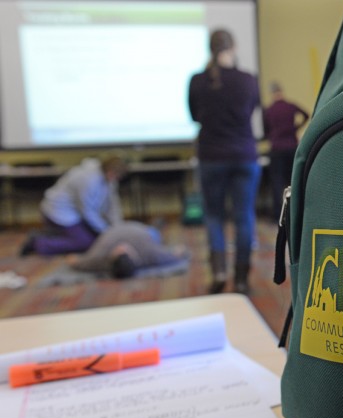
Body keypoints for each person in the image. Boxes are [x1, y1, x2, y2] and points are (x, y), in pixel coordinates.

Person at [188, 29, 261, 295]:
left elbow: (195, 116)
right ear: (235, 47)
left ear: (210, 48)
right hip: (244, 156)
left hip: (211, 156)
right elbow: (251, 110)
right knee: (244, 217)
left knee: (214, 216)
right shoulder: (248, 80)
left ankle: (219, 271)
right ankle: (241, 278)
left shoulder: (197, 80)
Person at [20, 155, 127, 256]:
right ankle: (38, 243)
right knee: (86, 243)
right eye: (114, 175)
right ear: (108, 169)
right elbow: (87, 211)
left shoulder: (109, 178)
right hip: (57, 212)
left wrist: (117, 227)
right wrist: (106, 232)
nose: (114, 179)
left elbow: (112, 205)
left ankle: (50, 234)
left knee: (96, 237)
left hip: (75, 213)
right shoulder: (87, 179)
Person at [67, 221, 189, 279]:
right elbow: (172, 255)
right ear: (135, 259)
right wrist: (179, 251)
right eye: (125, 252)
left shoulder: (99, 257)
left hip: (123, 228)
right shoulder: (149, 254)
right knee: (155, 234)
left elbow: (75, 261)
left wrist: (75, 260)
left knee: (154, 234)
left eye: (119, 252)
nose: (122, 247)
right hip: (136, 229)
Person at [263, 82, 309, 221]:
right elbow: (306, 115)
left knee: (277, 182)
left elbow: (266, 130)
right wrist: (295, 128)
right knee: (293, 180)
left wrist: (273, 135)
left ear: (272, 93)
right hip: (291, 146)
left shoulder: (269, 110)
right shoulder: (290, 106)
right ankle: (296, 211)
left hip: (276, 148)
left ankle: (279, 214)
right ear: (281, 92)